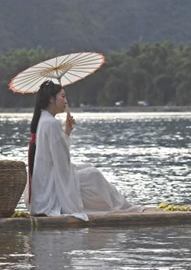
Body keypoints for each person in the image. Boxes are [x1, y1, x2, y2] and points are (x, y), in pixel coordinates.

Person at [26, 80, 142, 220]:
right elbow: (62, 161)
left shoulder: (44, 120)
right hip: (52, 185)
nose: (66, 101)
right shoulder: (52, 123)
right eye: (62, 97)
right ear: (51, 99)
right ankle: (122, 207)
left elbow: (57, 154)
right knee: (93, 174)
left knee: (88, 168)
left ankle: (121, 206)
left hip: (48, 181)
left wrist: (67, 132)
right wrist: (66, 134)